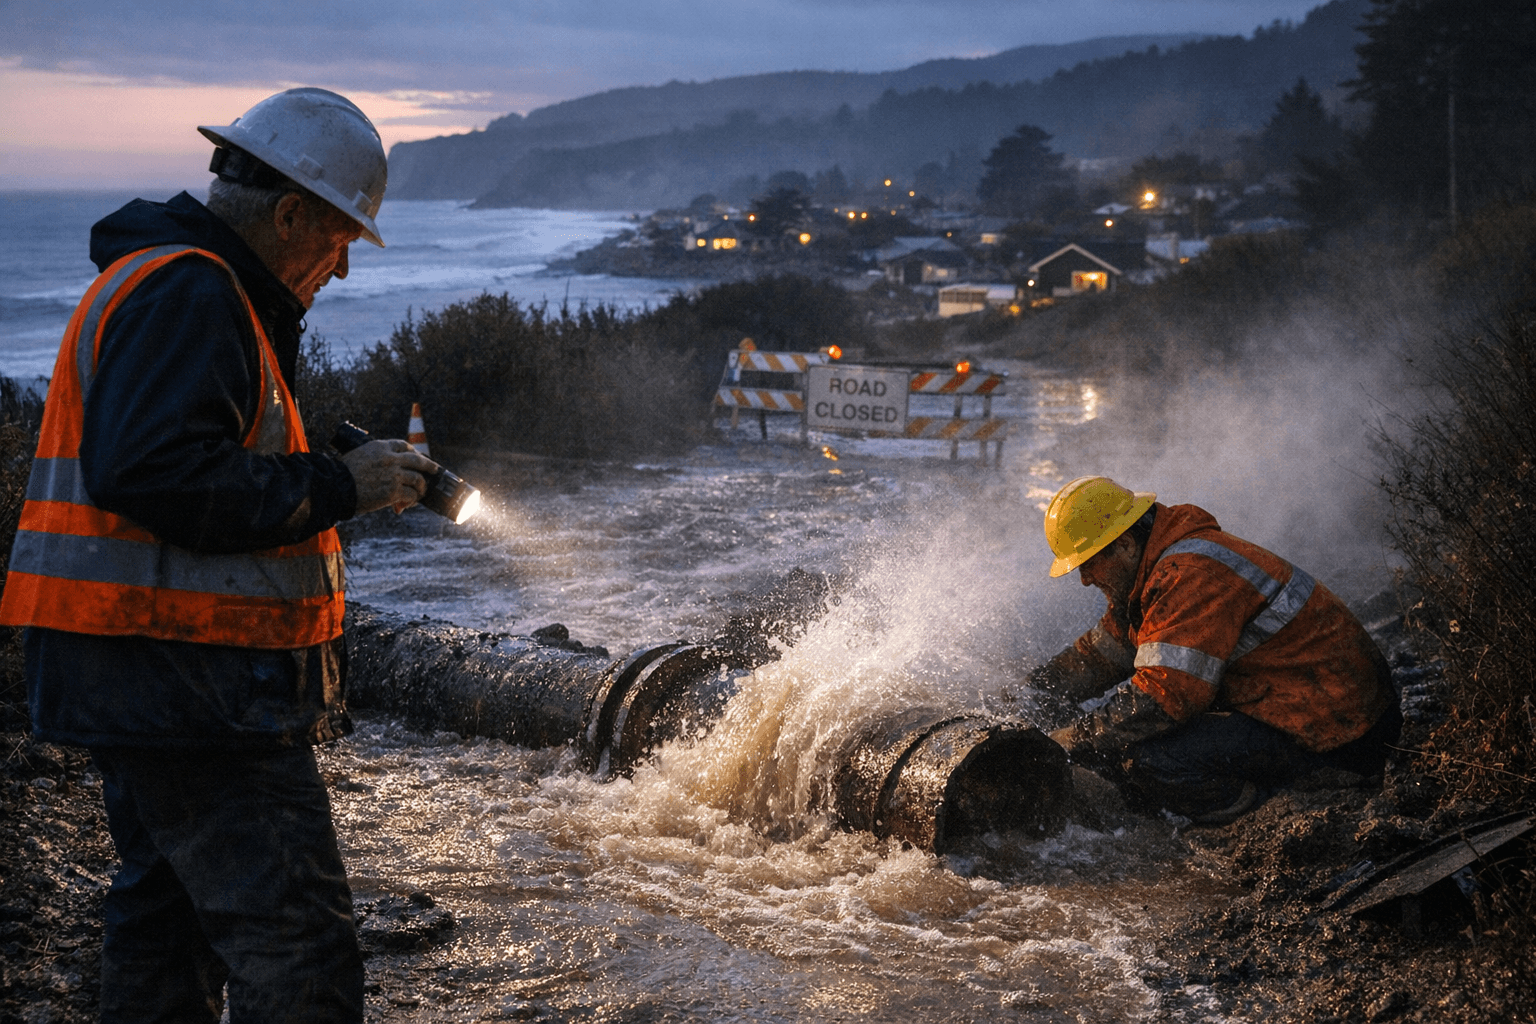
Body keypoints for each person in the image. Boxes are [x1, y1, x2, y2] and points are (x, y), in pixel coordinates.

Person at [0, 89, 437, 1022]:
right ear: (287, 214)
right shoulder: (192, 290)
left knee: (167, 931)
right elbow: (154, 473)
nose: (344, 269)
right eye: (340, 237)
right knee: (301, 948)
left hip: (138, 671)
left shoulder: (174, 283)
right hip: (183, 683)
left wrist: (317, 468)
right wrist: (338, 486)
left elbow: (176, 461)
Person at [1031, 476, 1400, 825]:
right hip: (1316, 706)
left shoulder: (1186, 575)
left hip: (1339, 733)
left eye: (1089, 563)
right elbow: (1109, 650)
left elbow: (1163, 698)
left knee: (1148, 761)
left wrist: (1074, 736)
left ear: (1125, 544)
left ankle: (1265, 812)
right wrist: (1036, 688)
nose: (1084, 579)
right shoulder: (1159, 568)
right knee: (1123, 743)